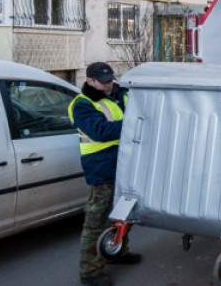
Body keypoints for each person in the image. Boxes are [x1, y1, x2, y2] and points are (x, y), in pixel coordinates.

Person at [68, 62, 141, 286]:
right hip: (101, 167)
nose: (108, 85)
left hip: (125, 163)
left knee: (122, 213)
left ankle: (117, 251)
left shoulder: (122, 93)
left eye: (110, 80)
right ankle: (90, 271)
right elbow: (100, 131)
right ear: (90, 80)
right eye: (103, 81)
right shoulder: (82, 104)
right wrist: (134, 123)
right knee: (96, 220)